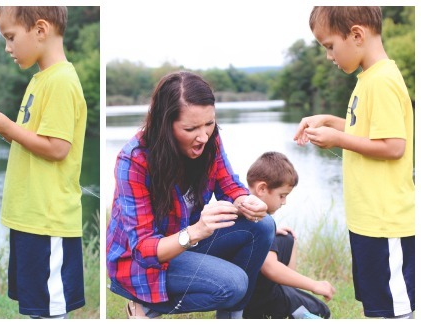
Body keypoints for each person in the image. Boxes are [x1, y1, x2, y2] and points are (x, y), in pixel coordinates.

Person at [106, 71, 275, 319]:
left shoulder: (209, 141)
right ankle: (146, 304)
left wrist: (245, 201)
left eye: (209, 124)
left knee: (263, 226)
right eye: (191, 128)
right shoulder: (134, 161)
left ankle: (232, 319)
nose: (203, 136)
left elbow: (229, 184)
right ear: (165, 125)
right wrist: (196, 231)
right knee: (234, 284)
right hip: (139, 262)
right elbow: (143, 249)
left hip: (183, 241)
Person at [294, 7, 414, 319]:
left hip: (386, 223)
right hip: (367, 221)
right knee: (377, 308)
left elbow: (393, 146)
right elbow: (366, 131)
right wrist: (331, 122)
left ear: (357, 35)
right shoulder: (367, 79)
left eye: (330, 46)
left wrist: (338, 140)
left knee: (397, 311)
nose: (329, 56)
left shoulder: (383, 80)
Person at [0, 6, 87, 319]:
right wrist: (2, 129)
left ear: (40, 30)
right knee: (38, 308)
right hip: (30, 217)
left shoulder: (61, 81)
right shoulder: (40, 79)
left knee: (50, 312)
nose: (7, 48)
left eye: (10, 37)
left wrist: (7, 125)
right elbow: (34, 140)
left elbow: (58, 148)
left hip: (48, 218)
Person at [242, 152, 335, 319]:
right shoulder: (260, 222)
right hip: (253, 301)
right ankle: (283, 306)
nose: (284, 202)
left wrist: (273, 232)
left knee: (287, 238)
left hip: (253, 287)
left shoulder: (243, 205)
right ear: (262, 188)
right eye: (282, 196)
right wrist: (315, 285)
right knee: (321, 310)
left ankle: (288, 291)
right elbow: (270, 268)